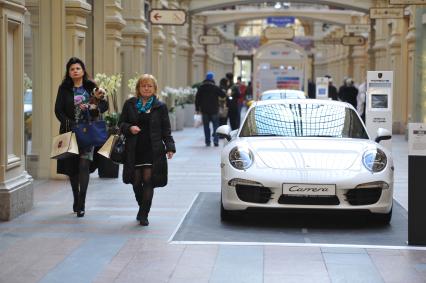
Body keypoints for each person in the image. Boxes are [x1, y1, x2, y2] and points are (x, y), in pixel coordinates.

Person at [55, 57, 108, 217]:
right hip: (71, 132)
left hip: (88, 132)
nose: (75, 71)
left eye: (78, 68)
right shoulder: (64, 88)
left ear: (83, 71)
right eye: (72, 69)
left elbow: (104, 105)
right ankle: (76, 197)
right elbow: (58, 110)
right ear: (69, 72)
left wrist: (93, 106)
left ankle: (82, 202)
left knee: (84, 165)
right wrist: (70, 123)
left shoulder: (91, 87)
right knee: (72, 169)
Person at [119, 74, 176, 226]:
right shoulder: (130, 104)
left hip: (153, 150)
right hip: (134, 149)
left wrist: (170, 147)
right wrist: (129, 128)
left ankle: (144, 213)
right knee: (136, 181)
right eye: (143, 85)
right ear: (138, 88)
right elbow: (120, 124)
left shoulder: (160, 107)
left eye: (149, 86)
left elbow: (166, 129)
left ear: (155, 89)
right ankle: (142, 206)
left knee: (148, 180)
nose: (146, 88)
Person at [195, 72, 225, 146]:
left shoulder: (201, 88)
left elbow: (197, 99)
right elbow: (223, 95)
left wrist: (197, 109)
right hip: (214, 110)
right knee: (216, 126)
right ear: (212, 78)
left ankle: (207, 141)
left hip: (204, 110)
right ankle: (216, 141)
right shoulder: (215, 87)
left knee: (206, 126)